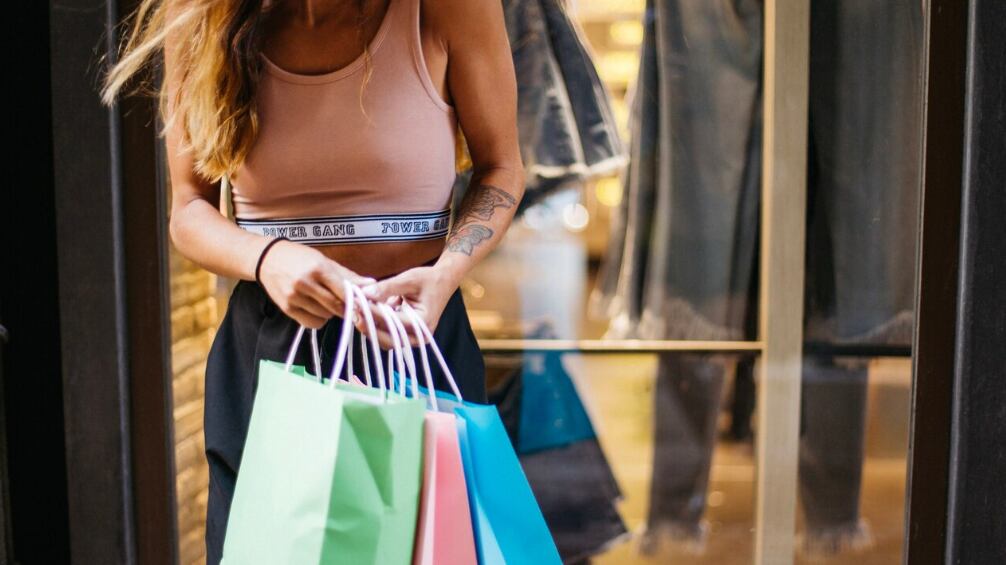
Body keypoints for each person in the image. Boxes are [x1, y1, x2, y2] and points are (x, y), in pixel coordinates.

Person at [99, 0, 522, 562]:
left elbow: (502, 168)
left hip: (412, 338)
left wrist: (447, 272)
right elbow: (189, 211)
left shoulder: (447, 8)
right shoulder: (203, 16)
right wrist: (269, 259)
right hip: (270, 350)